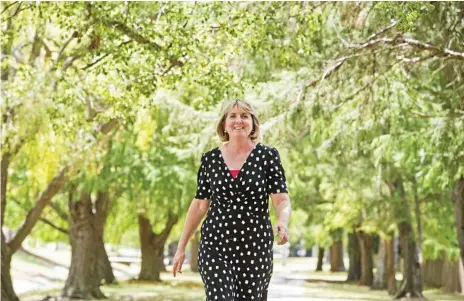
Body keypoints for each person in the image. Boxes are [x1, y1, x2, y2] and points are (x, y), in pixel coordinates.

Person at [172, 100, 292, 301]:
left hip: (255, 248)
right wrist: (181, 246)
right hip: (216, 245)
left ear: (253, 123)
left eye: (245, 116)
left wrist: (282, 222)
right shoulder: (210, 159)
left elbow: (281, 200)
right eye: (233, 116)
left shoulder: (268, 156)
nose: (239, 121)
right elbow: (200, 204)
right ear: (224, 124)